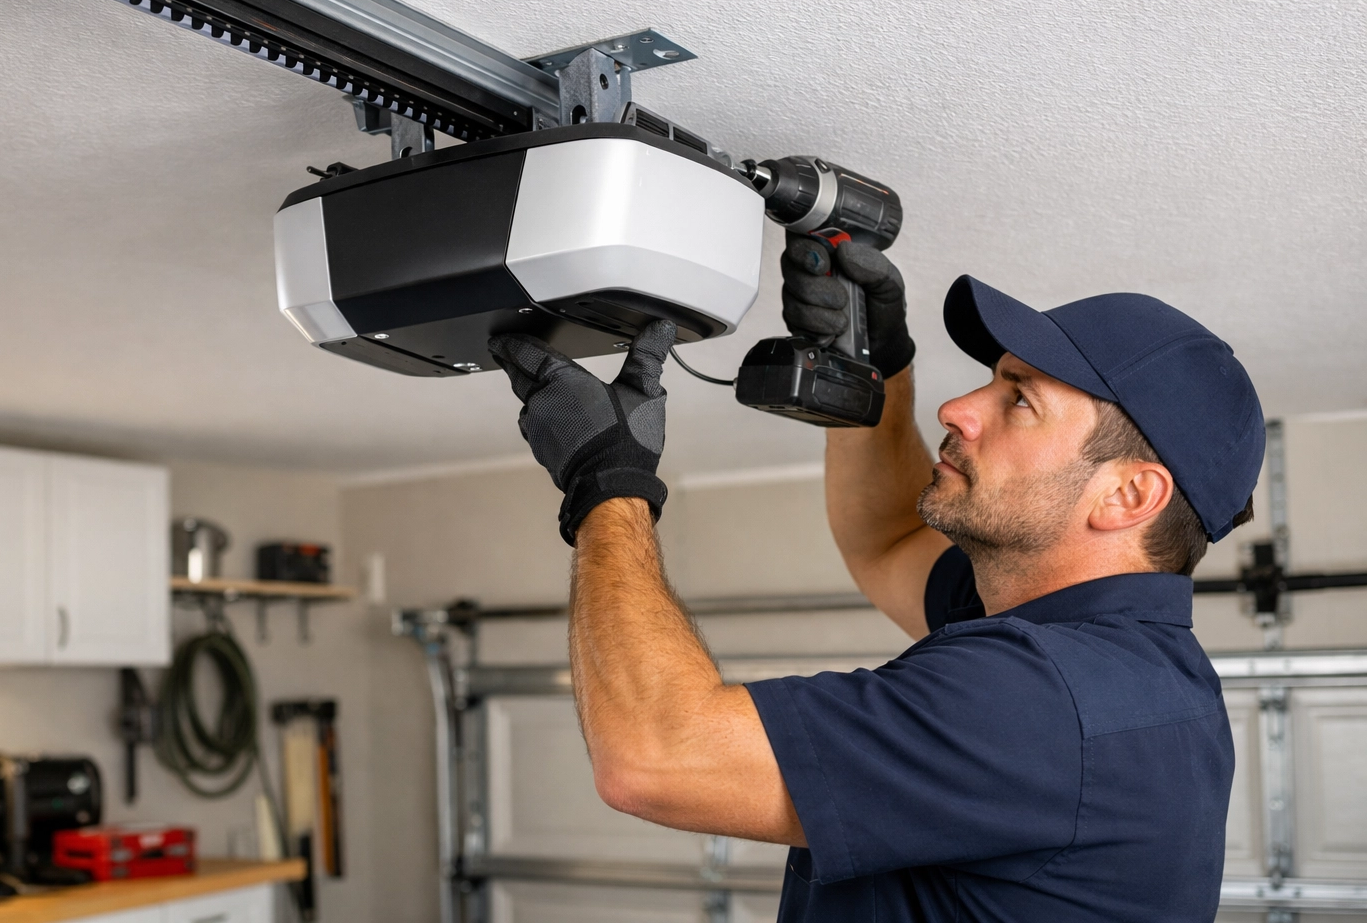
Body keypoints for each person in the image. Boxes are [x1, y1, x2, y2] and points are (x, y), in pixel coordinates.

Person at [486, 233, 1264, 922]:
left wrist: (607, 483)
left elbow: (654, 757)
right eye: (992, 379)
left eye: (1019, 399)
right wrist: (878, 373)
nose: (961, 407)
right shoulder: (1112, 664)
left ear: (1129, 495)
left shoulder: (1042, 700)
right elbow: (888, 540)